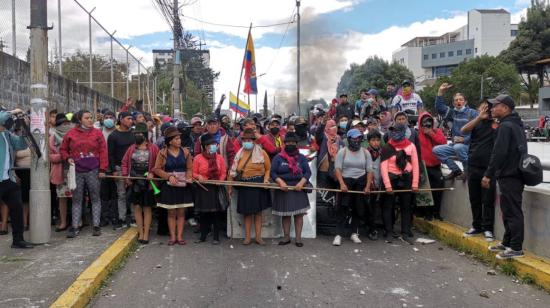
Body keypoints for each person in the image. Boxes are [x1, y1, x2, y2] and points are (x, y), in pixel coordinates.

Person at [482, 95, 526, 259]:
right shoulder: (515, 124)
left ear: (506, 108)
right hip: (514, 174)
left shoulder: (506, 126)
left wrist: (488, 174)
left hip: (510, 175)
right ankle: (507, 242)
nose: (492, 109)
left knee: (513, 211)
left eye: (495, 106)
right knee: (507, 210)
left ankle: (516, 248)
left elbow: (498, 153)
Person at [60, 109, 108, 238]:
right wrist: (67, 158)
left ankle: (96, 226)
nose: (90, 120)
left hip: (94, 170)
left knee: (95, 197)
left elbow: (103, 151)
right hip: (77, 171)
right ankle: (75, 227)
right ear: (79, 120)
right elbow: (63, 149)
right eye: (87, 118)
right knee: (77, 199)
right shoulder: (70, 134)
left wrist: (103, 169)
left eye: (91, 117)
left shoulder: (98, 133)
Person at [460, 100, 497, 241]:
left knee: (487, 199)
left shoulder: (496, 124)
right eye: (483, 107)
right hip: (473, 165)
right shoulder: (476, 122)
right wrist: (478, 117)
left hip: (488, 168)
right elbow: (463, 130)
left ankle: (488, 228)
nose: (485, 110)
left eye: (488, 108)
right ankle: (476, 226)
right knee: (474, 198)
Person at [228, 128, 272, 245]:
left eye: (249, 139)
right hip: (245, 184)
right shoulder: (239, 154)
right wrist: (230, 187)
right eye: (245, 140)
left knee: (258, 213)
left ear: (253, 141)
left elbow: (268, 169)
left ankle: (258, 237)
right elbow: (232, 172)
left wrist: (266, 180)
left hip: (258, 184)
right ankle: (247, 237)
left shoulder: (262, 153)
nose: (247, 141)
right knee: (247, 213)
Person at [152, 126, 194, 245]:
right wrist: (168, 176)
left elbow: (189, 168)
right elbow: (157, 169)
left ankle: (180, 236)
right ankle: (172, 237)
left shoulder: (185, 152)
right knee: (171, 212)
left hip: (182, 185)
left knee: (181, 212)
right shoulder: (162, 153)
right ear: (170, 141)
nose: (179, 140)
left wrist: (189, 177)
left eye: (179, 138)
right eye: (176, 139)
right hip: (169, 186)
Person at [332, 129, 373, 246]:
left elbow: (369, 170)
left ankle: (354, 233)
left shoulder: (366, 152)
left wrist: (367, 186)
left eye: (359, 138)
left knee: (358, 208)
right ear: (349, 139)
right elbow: (337, 169)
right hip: (346, 181)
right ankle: (338, 234)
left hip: (360, 181)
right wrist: (342, 184)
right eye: (354, 138)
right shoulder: (342, 152)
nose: (357, 140)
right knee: (342, 208)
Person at [270, 132, 312, 247]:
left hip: (299, 188)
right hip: (283, 189)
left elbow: (308, 172)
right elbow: (273, 172)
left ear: (296, 144)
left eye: (293, 142)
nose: (290, 144)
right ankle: (286, 237)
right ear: (284, 144)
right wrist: (280, 182)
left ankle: (298, 239)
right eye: (288, 142)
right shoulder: (278, 158)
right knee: (286, 215)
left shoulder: (302, 158)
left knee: (299, 215)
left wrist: (301, 182)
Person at [380, 123, 419, 244]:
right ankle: (389, 231)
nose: (394, 133)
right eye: (393, 131)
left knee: (406, 207)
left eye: (397, 131)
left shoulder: (411, 146)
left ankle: (405, 232)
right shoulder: (387, 147)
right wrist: (387, 185)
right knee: (388, 206)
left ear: (403, 132)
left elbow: (416, 165)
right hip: (391, 179)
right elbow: (383, 167)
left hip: (406, 179)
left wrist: (415, 183)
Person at [0, 108, 33, 248]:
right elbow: (2, 118)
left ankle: (18, 240)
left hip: (7, 179)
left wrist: (25, 128)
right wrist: (14, 112)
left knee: (17, 208)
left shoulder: (6, 135)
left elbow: (21, 144)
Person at [122, 123, 160, 245]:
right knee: (137, 207)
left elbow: (159, 164)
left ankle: (146, 234)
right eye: (136, 133)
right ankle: (140, 232)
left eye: (140, 133)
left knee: (147, 208)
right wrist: (125, 176)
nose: (138, 135)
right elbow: (124, 163)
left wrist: (152, 173)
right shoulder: (131, 148)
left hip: (148, 183)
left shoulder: (153, 148)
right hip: (134, 182)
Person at [433, 83, 478, 180]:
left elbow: (478, 132)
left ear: (465, 102)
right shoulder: (452, 112)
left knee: (458, 147)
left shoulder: (472, 113)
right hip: (455, 145)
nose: (458, 101)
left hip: (469, 145)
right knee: (437, 150)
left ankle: (467, 172)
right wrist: (440, 92)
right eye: (456, 100)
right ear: (453, 103)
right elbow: (439, 108)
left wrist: (464, 139)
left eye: (461, 99)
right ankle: (456, 170)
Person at [193, 134, 227, 244]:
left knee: (215, 214)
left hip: (216, 188)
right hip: (203, 188)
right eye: (210, 145)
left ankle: (216, 237)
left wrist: (220, 180)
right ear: (205, 146)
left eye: (214, 144)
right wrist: (199, 177)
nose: (213, 146)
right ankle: (203, 236)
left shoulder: (219, 158)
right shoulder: (198, 158)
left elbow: (223, 172)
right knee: (203, 214)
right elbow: (193, 173)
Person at [108, 111, 136, 229]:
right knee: (121, 194)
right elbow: (110, 154)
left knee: (135, 193)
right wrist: (114, 169)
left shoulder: (134, 134)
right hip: (119, 168)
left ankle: (135, 217)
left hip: (134, 168)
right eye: (128, 118)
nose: (131, 121)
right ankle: (122, 218)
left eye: (132, 119)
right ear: (121, 119)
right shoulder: (113, 136)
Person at [417, 112, 447, 220]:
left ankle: (436, 213)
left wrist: (431, 133)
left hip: (436, 166)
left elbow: (443, 143)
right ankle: (427, 213)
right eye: (424, 122)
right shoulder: (417, 134)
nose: (426, 124)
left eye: (429, 121)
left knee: (438, 190)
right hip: (424, 167)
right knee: (425, 192)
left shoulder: (437, 131)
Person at [49, 113, 73, 232]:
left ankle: (77, 220)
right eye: (64, 124)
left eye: (68, 123)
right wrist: (63, 156)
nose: (66, 126)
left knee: (76, 197)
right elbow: (50, 157)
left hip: (74, 171)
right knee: (62, 198)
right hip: (60, 172)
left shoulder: (74, 135)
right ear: (58, 125)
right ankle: (63, 222)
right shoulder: (52, 137)